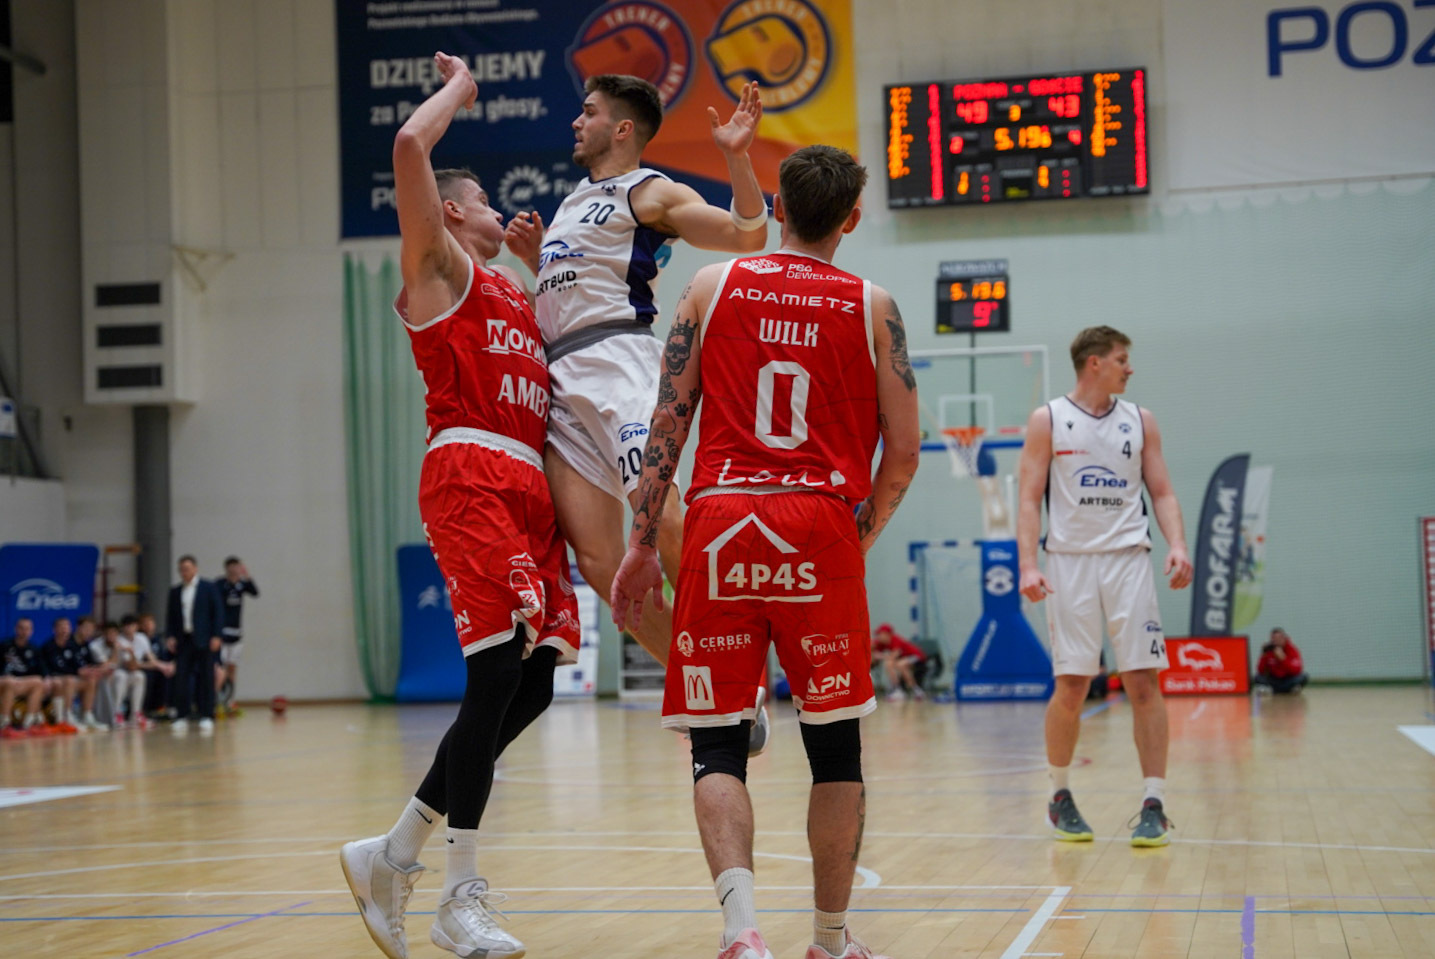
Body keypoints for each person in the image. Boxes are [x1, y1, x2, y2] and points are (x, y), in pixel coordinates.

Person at [611, 144, 921, 959]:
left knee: (716, 741)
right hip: (820, 523)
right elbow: (904, 452)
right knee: (835, 747)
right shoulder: (874, 305)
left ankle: (741, 930)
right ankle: (828, 939)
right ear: (851, 217)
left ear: (775, 206)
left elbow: (667, 422)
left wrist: (642, 541)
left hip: (719, 520)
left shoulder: (710, 285)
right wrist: (859, 532)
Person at [340, 52, 580, 959]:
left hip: (530, 487)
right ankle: (457, 894)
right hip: (472, 471)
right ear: (451, 213)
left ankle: (393, 851)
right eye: (483, 201)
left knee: (538, 679)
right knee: (493, 676)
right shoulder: (438, 268)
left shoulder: (513, 291)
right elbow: (410, 144)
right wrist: (461, 91)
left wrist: (536, 266)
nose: (496, 210)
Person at [503, 75, 773, 750]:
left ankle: (736, 667)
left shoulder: (647, 190)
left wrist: (738, 157)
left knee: (665, 520)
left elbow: (746, 235)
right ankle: (708, 682)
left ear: (622, 128)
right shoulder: (571, 202)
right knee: (599, 562)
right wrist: (537, 262)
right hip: (560, 378)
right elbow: (575, 291)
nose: (576, 121)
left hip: (619, 361)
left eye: (588, 112)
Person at [1016, 326, 1194, 848]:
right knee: (1073, 685)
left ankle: (1154, 803)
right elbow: (1028, 498)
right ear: (1094, 363)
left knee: (1143, 682)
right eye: (1121, 359)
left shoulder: (1140, 420)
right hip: (1068, 564)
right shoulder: (1048, 420)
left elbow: (1162, 491)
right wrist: (1028, 566)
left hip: (1128, 560)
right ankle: (1059, 795)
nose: (1129, 368)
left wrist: (1177, 544)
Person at [165, 554, 225, 734]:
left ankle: (207, 715)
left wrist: (217, 636)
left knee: (206, 677)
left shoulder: (208, 588)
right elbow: (171, 617)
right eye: (181, 570)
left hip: (204, 639)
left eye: (187, 569)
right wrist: (170, 636)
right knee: (181, 678)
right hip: (184, 639)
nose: (184, 572)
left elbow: (218, 612)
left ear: (195, 569)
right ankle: (181, 715)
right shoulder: (175, 591)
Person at [215, 556, 259, 713]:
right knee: (220, 669)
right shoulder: (220, 584)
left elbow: (255, 592)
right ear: (227, 568)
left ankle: (230, 700)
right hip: (222, 633)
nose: (234, 569)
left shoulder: (242, 584)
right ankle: (216, 699)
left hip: (236, 634)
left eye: (237, 566)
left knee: (232, 668)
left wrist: (247, 576)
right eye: (231, 566)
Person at [38, 616, 93, 731]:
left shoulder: (72, 646)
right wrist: (47, 677)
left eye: (67, 627)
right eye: (61, 627)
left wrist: (86, 671)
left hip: (69, 679)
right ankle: (66, 715)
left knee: (90, 681)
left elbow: (78, 666)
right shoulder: (48, 646)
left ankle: (87, 715)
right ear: (54, 629)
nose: (64, 630)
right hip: (54, 678)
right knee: (68, 680)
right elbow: (46, 667)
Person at [1, 617, 50, 738]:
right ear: (16, 629)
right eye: (21, 628)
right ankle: (4, 724)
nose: (24, 631)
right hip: (4, 681)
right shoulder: (4, 645)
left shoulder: (34, 649)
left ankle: (28, 723)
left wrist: (47, 679)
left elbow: (43, 670)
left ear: (31, 631)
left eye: (27, 629)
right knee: (9, 681)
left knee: (38, 682)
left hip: (20, 683)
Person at [112, 616, 153, 728]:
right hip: (118, 670)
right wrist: (132, 654)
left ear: (137, 626)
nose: (130, 628)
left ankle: (136, 714)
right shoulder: (119, 640)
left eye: (132, 625)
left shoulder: (142, 638)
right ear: (122, 628)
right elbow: (131, 666)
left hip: (133, 670)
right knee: (121, 676)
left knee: (140, 676)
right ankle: (117, 713)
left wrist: (164, 666)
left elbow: (152, 659)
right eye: (127, 626)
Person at [871, 623, 928, 701]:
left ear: (887, 634)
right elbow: (872, 646)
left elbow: (893, 656)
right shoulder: (883, 643)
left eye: (880, 634)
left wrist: (881, 656)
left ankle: (915, 690)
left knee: (899, 664)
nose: (878, 637)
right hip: (904, 659)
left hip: (917, 657)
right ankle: (899, 690)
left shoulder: (895, 640)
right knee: (890, 664)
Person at [1253, 627, 1308, 694]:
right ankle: (1282, 689)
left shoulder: (1292, 650)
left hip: (1288, 679)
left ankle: (1287, 689)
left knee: (1303, 676)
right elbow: (1260, 670)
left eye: (1279, 639)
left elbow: (1297, 670)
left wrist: (1283, 659)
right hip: (1274, 679)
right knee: (1257, 677)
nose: (1276, 641)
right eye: (1274, 639)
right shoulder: (1269, 650)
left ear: (1284, 638)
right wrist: (1264, 655)